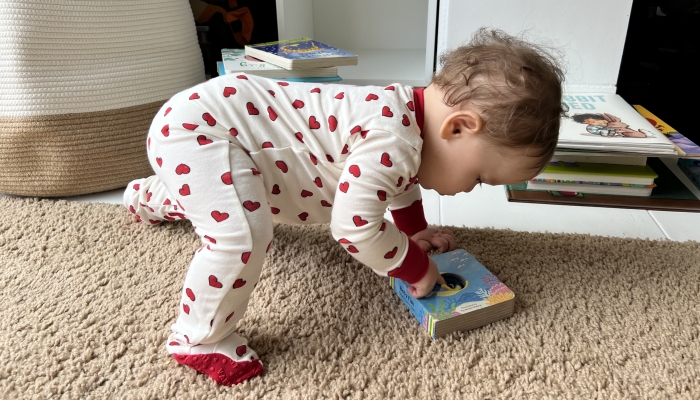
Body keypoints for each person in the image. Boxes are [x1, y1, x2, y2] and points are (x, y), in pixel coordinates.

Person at [124, 28, 564, 386]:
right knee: (242, 235)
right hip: (204, 130)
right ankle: (197, 338)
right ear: (460, 127)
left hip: (219, 130)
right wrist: (415, 265)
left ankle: (149, 196)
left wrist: (413, 229)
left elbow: (401, 181)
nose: (471, 189)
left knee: (217, 192)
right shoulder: (393, 141)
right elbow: (355, 228)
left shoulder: (410, 120)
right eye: (481, 177)